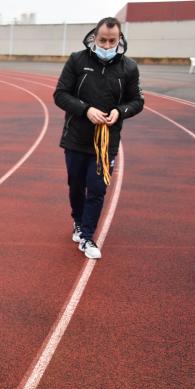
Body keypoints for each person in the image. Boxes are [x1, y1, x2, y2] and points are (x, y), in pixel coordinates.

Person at [54, 17, 144, 259]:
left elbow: (137, 101)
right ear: (94, 37)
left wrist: (120, 111)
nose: (106, 45)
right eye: (102, 40)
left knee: (96, 189)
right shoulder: (77, 60)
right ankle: (78, 220)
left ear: (119, 40)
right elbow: (60, 95)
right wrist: (85, 109)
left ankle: (87, 236)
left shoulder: (129, 68)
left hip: (106, 143)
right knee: (76, 186)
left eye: (111, 41)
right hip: (76, 138)